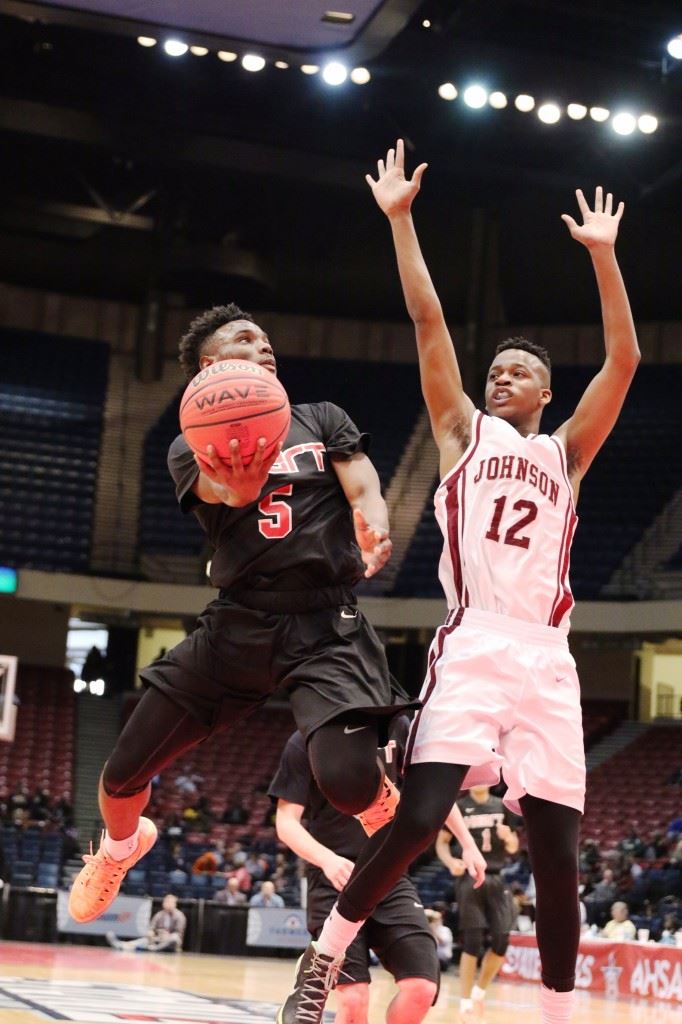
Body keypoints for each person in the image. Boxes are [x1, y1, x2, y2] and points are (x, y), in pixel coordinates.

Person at [279, 139, 640, 1024]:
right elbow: (430, 323)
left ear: (545, 394)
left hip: (549, 659)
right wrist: (401, 221)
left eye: (519, 372)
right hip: (475, 640)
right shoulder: (460, 433)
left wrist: (605, 258)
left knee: (558, 853)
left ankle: (557, 1015)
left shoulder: (569, 452)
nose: (500, 376)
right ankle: (323, 964)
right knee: (419, 815)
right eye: (495, 371)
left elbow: (624, 361)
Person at [68, 302, 415, 924]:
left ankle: (378, 790)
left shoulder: (321, 418)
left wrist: (374, 527)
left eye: (266, 337)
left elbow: (363, 484)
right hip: (238, 622)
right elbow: (227, 493)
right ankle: (121, 848)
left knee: (345, 783)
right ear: (212, 367)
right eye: (246, 338)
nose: (265, 345)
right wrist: (240, 482)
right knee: (121, 776)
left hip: (325, 622)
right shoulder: (188, 444)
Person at [271, 721, 486, 1024]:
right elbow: (286, 822)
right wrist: (327, 860)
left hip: (390, 872)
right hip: (335, 876)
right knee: (354, 996)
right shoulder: (307, 738)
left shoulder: (400, 726)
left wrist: (467, 842)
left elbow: (432, 789)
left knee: (421, 987)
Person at [435, 784, 519, 1021]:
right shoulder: (458, 806)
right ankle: (464, 1001)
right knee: (472, 940)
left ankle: (479, 990)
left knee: (502, 940)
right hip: (469, 878)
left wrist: (508, 838)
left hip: (496, 876)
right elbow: (441, 842)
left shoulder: (502, 805)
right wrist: (450, 861)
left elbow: (513, 846)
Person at [106, 893, 186, 952]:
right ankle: (121, 945)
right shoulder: (159, 915)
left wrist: (167, 935)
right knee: (144, 940)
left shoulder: (179, 916)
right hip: (158, 938)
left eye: (169, 902)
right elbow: (152, 927)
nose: (167, 903)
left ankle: (154, 949)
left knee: (174, 938)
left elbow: (178, 932)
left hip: (170, 941)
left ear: (174, 904)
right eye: (166, 901)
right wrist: (151, 933)